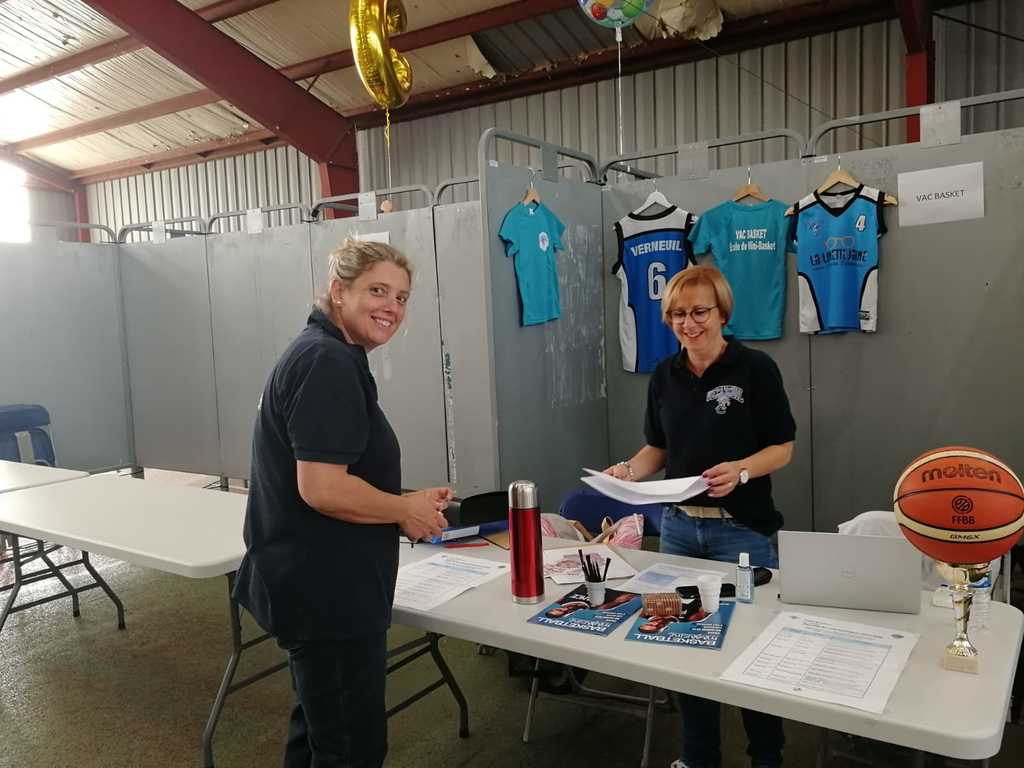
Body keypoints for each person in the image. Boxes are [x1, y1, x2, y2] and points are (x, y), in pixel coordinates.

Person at [233, 238, 453, 768]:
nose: (392, 307)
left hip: (318, 584)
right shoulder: (325, 361)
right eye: (377, 291)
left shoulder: (329, 354)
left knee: (320, 733)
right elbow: (323, 488)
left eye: (401, 297)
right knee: (351, 749)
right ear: (339, 291)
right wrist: (403, 511)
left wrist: (404, 500)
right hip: (326, 592)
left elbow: (336, 473)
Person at [604, 265, 795, 768]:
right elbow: (657, 448)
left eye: (699, 312)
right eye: (677, 315)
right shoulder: (664, 376)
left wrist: (743, 470)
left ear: (722, 312)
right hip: (679, 531)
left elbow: (783, 447)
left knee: (751, 645)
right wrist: (627, 471)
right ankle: (698, 756)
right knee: (685, 645)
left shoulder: (756, 369)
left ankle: (767, 756)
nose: (688, 324)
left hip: (742, 531)